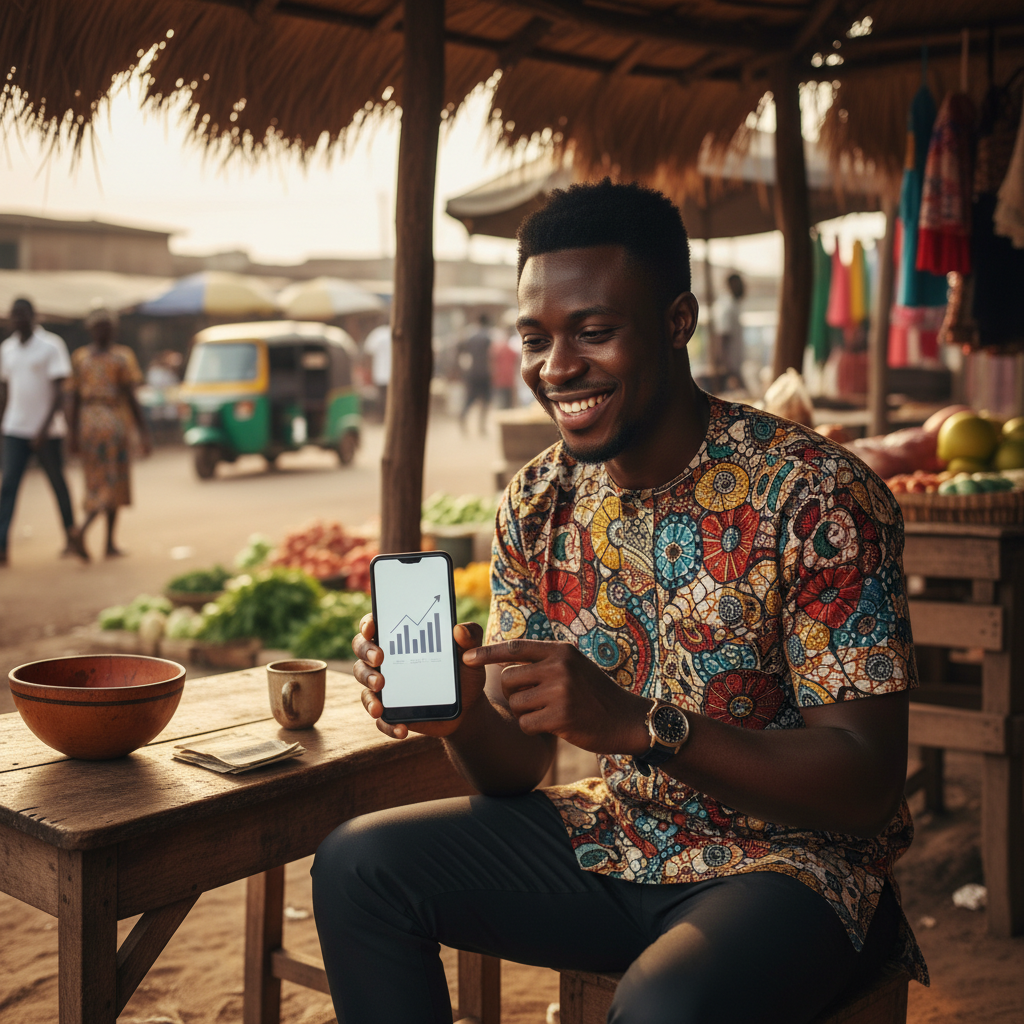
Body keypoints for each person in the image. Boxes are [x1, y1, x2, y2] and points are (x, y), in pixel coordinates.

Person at [312, 181, 927, 1024]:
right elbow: (516, 770)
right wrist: (460, 718)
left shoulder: (816, 497)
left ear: (679, 322)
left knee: (664, 1002)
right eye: (536, 338)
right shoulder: (539, 501)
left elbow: (865, 782)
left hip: (796, 872)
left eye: (593, 332)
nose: (557, 368)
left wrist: (643, 724)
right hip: (618, 841)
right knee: (358, 866)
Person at [0, 297, 84, 566]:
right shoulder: (7, 349)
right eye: (14, 315)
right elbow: (5, 390)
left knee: (57, 484)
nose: (18, 319)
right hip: (15, 428)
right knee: (9, 486)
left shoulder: (51, 346)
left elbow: (60, 392)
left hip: (47, 432)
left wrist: (43, 428)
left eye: (22, 314)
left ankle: (71, 537)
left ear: (33, 316)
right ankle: (2, 545)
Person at [67, 306, 150, 558]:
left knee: (98, 483)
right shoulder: (121, 357)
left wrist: (72, 433)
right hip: (113, 424)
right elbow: (130, 396)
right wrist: (144, 432)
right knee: (111, 483)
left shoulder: (83, 358)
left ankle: (109, 543)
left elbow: (73, 399)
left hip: (88, 425)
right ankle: (83, 531)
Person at [457, 313, 493, 434]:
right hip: (485, 372)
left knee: (470, 399)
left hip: (472, 372)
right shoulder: (488, 337)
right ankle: (481, 427)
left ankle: (463, 419)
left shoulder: (470, 337)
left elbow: (460, 351)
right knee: (486, 401)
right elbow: (491, 356)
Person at [711, 271, 746, 391]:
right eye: (740, 284)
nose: (744, 288)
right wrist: (728, 370)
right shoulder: (726, 307)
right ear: (732, 284)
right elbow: (722, 338)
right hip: (729, 370)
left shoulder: (734, 305)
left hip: (734, 368)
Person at [363, 322, 392, 420]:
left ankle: (382, 416)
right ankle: (390, 416)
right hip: (393, 372)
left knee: (382, 396)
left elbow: (368, 352)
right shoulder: (395, 333)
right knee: (392, 396)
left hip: (380, 371)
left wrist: (369, 368)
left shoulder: (377, 334)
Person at [490, 327, 520, 410]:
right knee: (509, 402)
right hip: (509, 378)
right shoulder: (511, 349)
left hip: (500, 378)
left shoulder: (496, 349)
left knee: (501, 401)